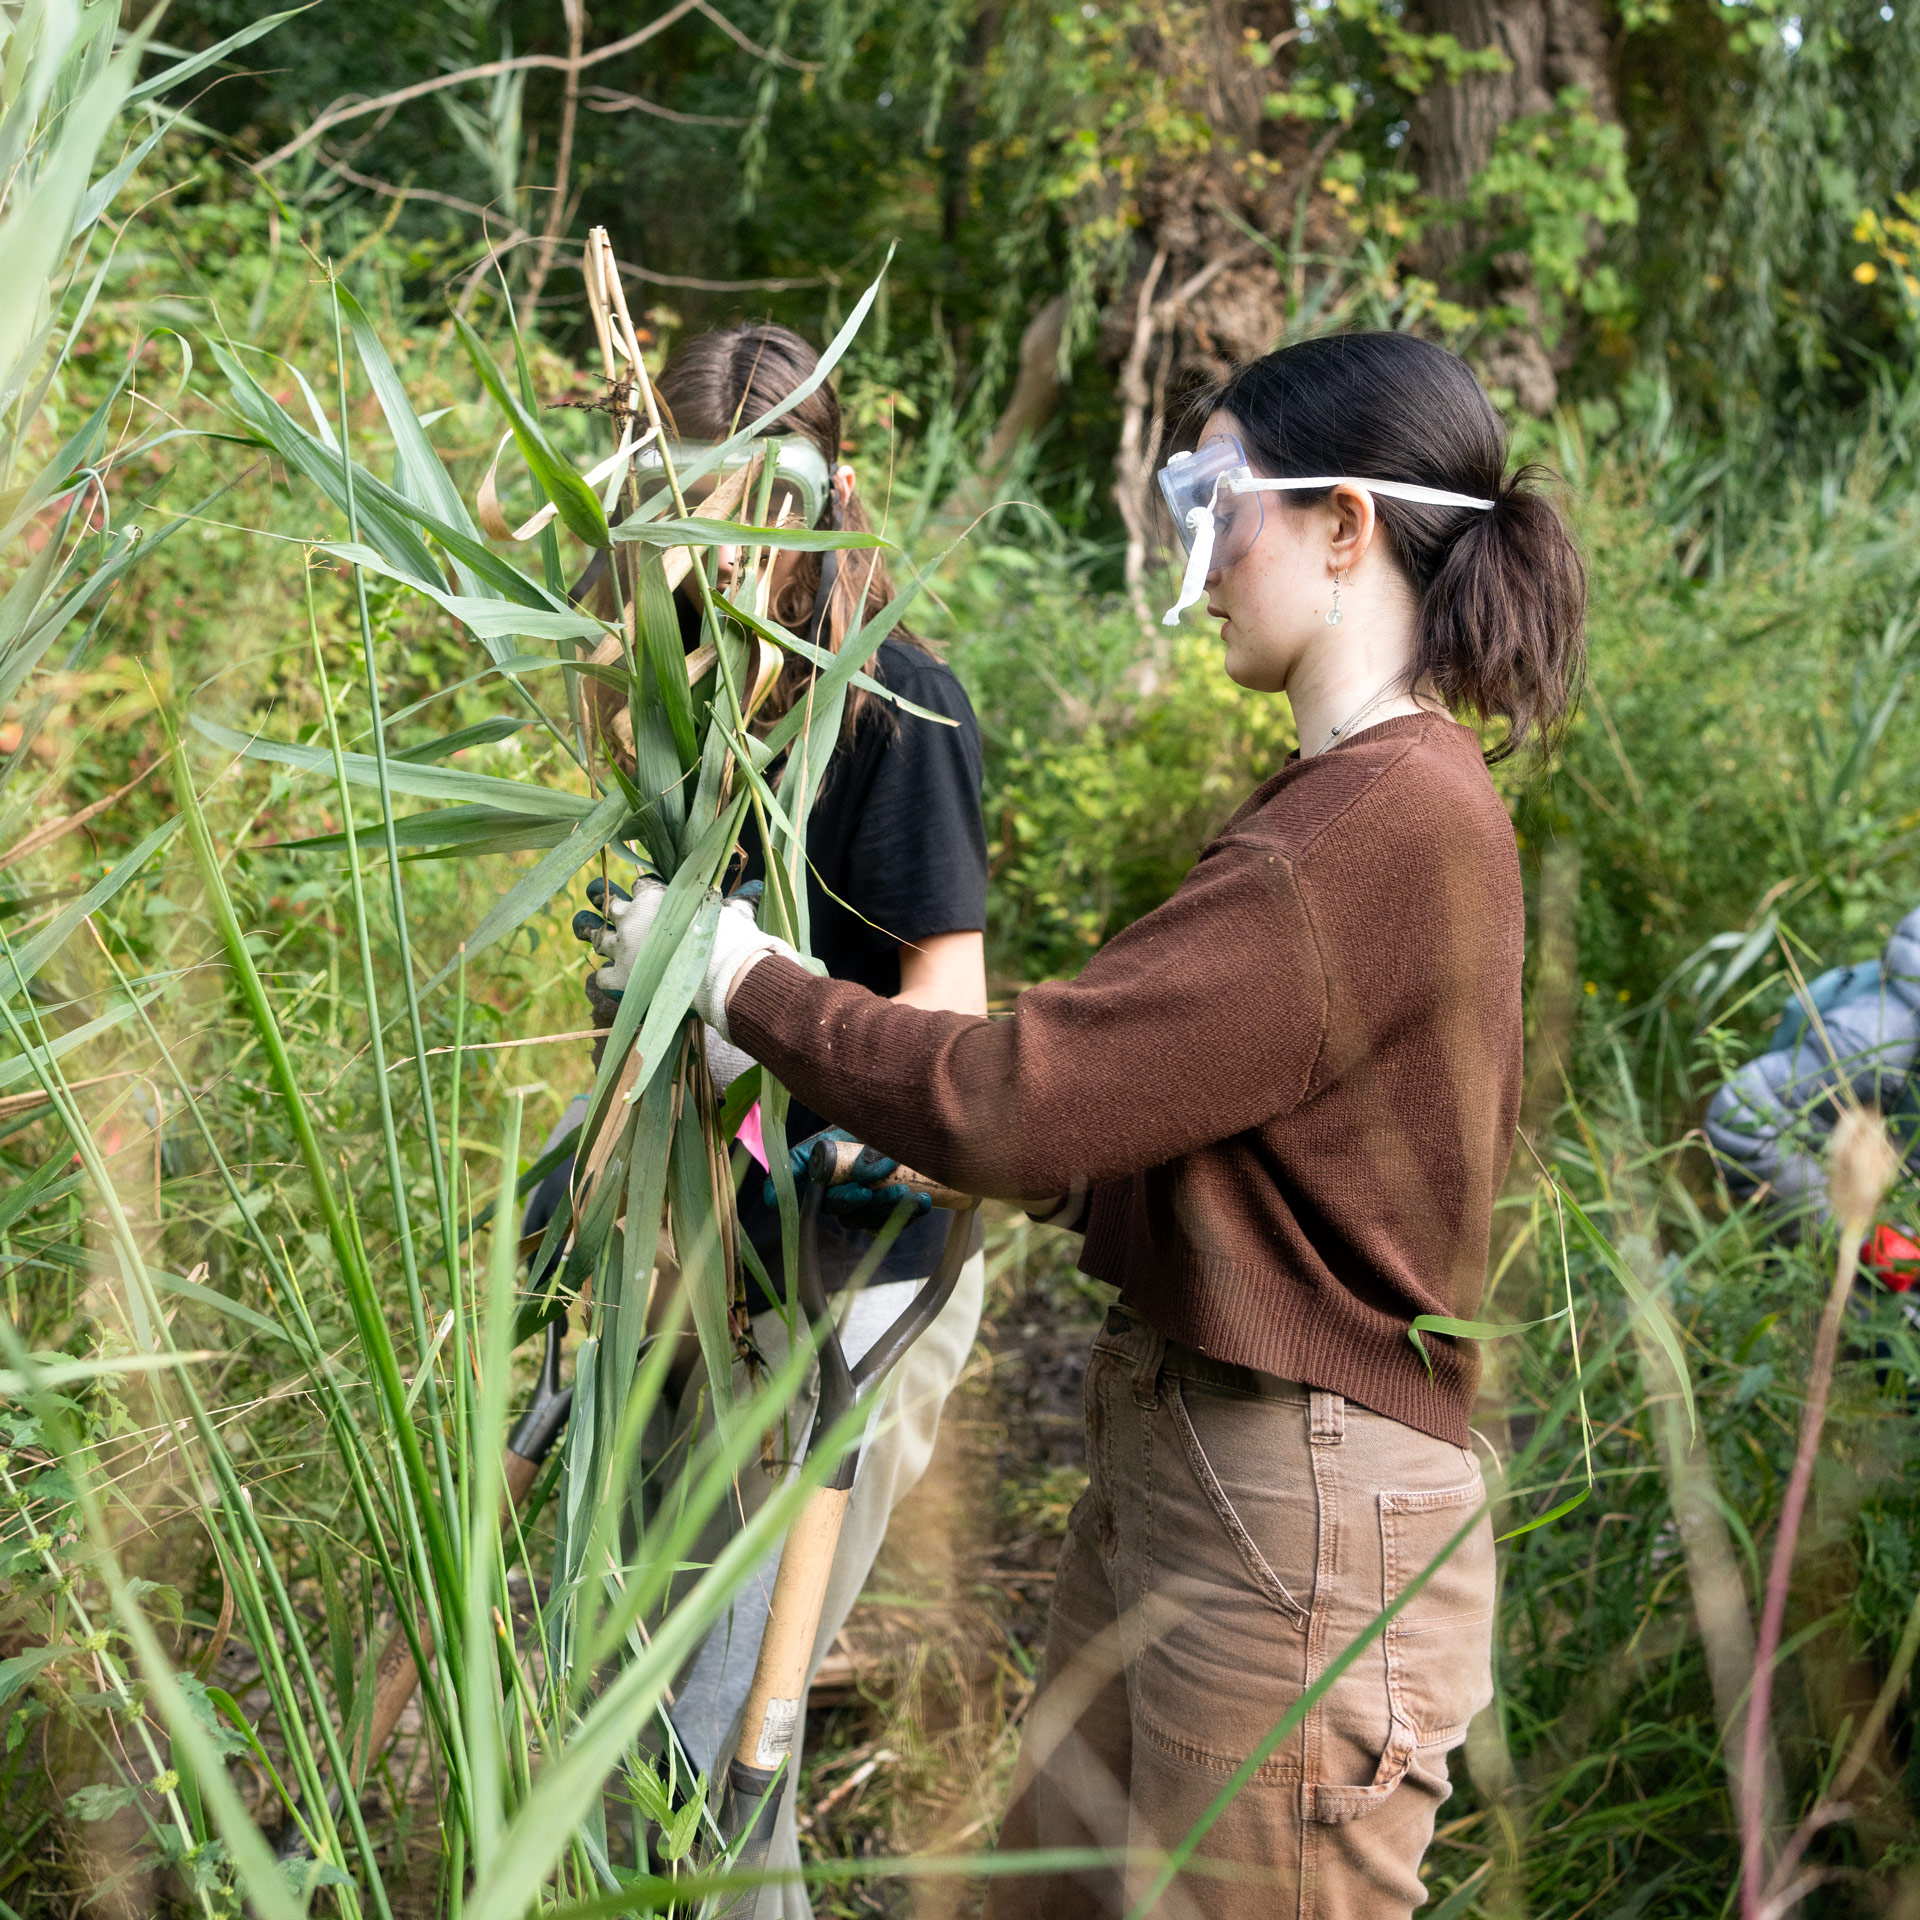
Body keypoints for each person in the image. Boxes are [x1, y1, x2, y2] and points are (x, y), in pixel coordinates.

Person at [597, 330, 1588, 1918]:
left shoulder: (1385, 824)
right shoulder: (1337, 806)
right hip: (1210, 1459)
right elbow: (1190, 1137)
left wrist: (735, 978)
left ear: (1345, 527)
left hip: (1306, 1508)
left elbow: (1018, 1095)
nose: (1196, 570)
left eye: (1218, 502)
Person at [533, 321, 991, 1917]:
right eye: (683, 523)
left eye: (746, 525)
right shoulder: (666, 715)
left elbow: (950, 1046)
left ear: (821, 502)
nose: (717, 569)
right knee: (597, 1695)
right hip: (686, 1270)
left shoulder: (896, 715)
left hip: (849, 1283)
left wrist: (775, 1050)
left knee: (719, 1745)